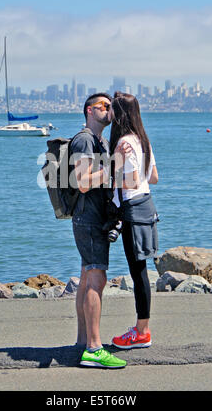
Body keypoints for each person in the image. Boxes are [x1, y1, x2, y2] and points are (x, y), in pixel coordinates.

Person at [70, 93, 128, 369]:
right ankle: (94, 348)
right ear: (89, 111)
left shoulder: (101, 141)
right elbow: (81, 182)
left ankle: (83, 342)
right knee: (97, 280)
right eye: (103, 106)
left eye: (110, 106)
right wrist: (114, 166)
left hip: (93, 217)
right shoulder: (84, 140)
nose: (108, 110)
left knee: (86, 278)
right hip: (88, 218)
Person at [109, 91, 159, 350]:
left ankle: (142, 332)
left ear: (120, 114)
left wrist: (113, 166)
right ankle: (142, 330)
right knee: (141, 273)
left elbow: (129, 181)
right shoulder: (143, 140)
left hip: (132, 210)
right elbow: (153, 178)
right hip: (146, 207)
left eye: (112, 110)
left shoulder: (125, 143)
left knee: (138, 273)